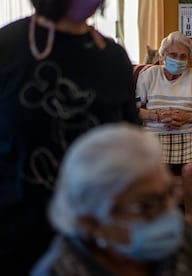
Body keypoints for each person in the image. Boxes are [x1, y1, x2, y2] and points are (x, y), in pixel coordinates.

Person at [0, 0, 139, 274]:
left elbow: (130, 152)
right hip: (13, 234)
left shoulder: (113, 59)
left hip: (93, 238)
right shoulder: (7, 47)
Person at [31, 123, 192, 276]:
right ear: (91, 223)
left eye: (169, 193)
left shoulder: (187, 239)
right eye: (145, 206)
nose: (168, 212)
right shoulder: (61, 271)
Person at [136, 31, 192, 216]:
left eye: (183, 57)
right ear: (162, 56)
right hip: (154, 131)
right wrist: (156, 116)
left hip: (190, 131)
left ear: (189, 60)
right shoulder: (148, 75)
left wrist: (190, 117)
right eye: (173, 55)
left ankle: (190, 221)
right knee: (150, 171)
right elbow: (132, 109)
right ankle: (155, 220)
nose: (178, 60)